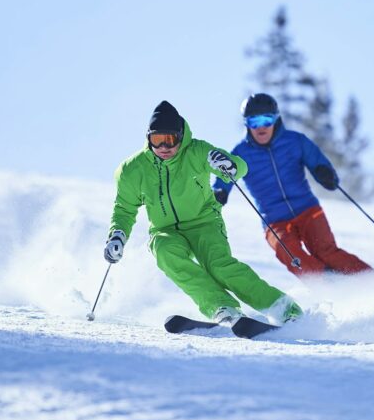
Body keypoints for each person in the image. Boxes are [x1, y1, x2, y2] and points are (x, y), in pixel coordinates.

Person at [104, 100, 303, 325]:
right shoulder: (132, 170)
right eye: (157, 140)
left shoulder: (198, 151)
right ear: (148, 138)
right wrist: (117, 235)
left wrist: (228, 165)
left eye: (170, 140)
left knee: (220, 267)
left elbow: (240, 166)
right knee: (164, 250)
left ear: (181, 136)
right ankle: (222, 307)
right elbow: (124, 209)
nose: (164, 148)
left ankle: (286, 310)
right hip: (165, 230)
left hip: (205, 222)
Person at [212, 93, 374, 278]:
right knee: (288, 252)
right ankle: (327, 282)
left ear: (276, 119)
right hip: (274, 220)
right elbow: (226, 174)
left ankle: (371, 280)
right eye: (254, 122)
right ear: (246, 124)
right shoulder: (241, 153)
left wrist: (325, 173)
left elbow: (317, 161)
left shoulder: (295, 141)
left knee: (326, 251)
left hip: (307, 210)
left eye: (266, 120)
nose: (261, 127)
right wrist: (220, 192)